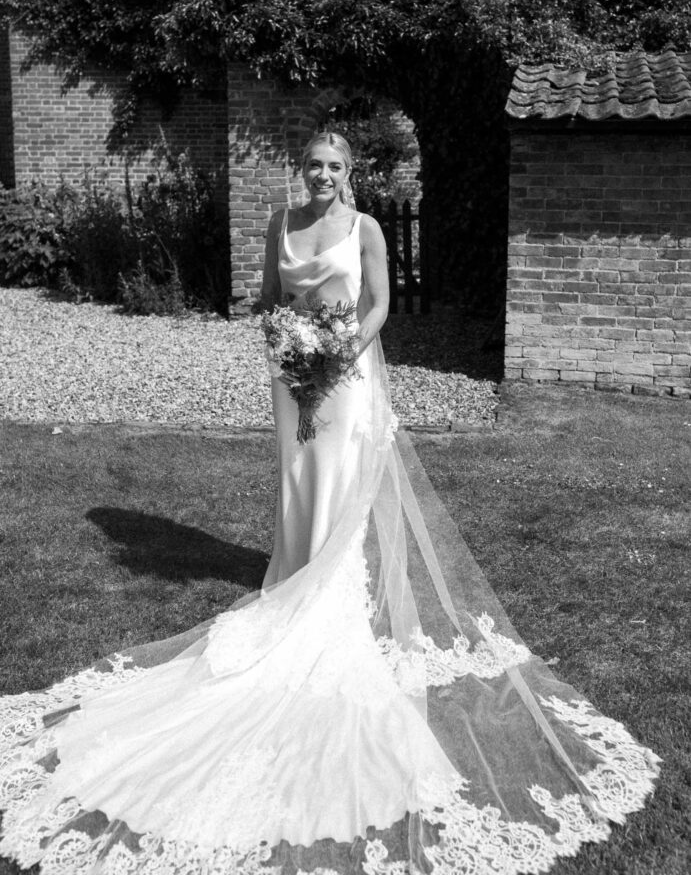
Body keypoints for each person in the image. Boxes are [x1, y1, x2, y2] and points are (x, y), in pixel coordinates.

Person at [0, 132, 660, 875]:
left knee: (340, 477)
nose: (321, 175)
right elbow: (266, 299)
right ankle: (290, 577)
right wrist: (283, 344)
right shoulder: (279, 225)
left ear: (349, 174)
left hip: (345, 375)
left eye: (333, 167)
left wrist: (338, 351)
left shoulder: (365, 228)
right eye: (312, 165)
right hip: (290, 375)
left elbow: (378, 305)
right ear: (301, 171)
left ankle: (327, 594)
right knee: (297, 479)